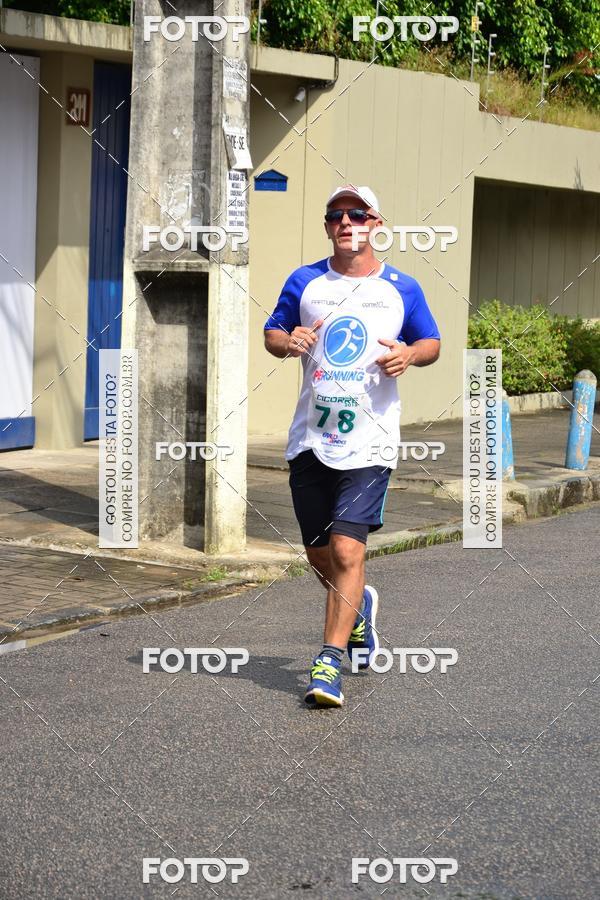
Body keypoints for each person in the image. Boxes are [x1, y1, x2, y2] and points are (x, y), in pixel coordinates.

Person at [263, 185, 441, 707]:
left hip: (371, 442)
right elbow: (273, 332)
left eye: (357, 214)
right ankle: (359, 606)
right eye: (337, 215)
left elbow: (431, 341)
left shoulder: (400, 288)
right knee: (320, 555)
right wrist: (287, 339)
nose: (347, 222)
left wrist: (409, 353)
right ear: (327, 227)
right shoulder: (306, 281)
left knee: (346, 549)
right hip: (311, 440)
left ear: (375, 223)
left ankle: (327, 664)